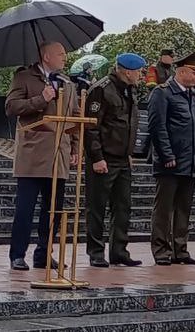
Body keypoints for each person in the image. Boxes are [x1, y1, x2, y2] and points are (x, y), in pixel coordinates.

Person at [5, 41, 79, 271]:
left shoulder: (68, 83)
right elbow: (12, 107)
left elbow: (75, 116)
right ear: (46, 56)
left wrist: (76, 147)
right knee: (25, 209)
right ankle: (18, 254)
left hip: (59, 154)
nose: (64, 58)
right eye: (60, 54)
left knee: (53, 210)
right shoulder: (24, 77)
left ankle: (44, 253)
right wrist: (42, 99)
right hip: (32, 154)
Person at [84, 53, 147, 268]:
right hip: (104, 158)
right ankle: (96, 252)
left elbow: (129, 123)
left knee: (123, 207)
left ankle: (119, 251)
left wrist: (129, 153)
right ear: (127, 71)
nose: (141, 75)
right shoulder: (101, 89)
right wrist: (97, 157)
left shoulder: (129, 90)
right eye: (138, 71)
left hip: (122, 158)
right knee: (97, 207)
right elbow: (91, 127)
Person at [148, 50, 195, 266]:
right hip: (170, 162)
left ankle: (180, 249)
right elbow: (157, 126)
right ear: (182, 71)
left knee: (184, 208)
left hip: (190, 161)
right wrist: (167, 154)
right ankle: (161, 249)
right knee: (164, 209)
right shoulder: (163, 93)